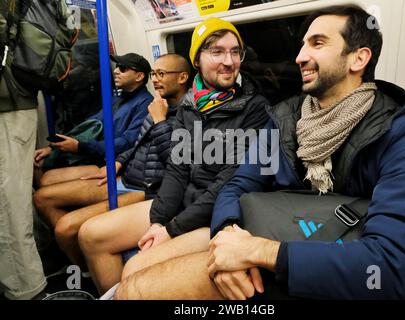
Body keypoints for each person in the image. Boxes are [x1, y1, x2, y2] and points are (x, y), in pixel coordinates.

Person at [112, 6, 405, 300]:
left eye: (317, 43)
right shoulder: (287, 120)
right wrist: (228, 238)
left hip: (317, 265)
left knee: (135, 290)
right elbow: (237, 184)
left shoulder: (404, 138)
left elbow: (395, 266)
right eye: (302, 45)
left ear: (358, 58)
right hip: (267, 235)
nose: (300, 56)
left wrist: (261, 253)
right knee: (135, 270)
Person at [78, 17, 270, 295]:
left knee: (136, 268)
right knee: (91, 235)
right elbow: (178, 169)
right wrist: (159, 220)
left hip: (217, 214)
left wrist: (171, 229)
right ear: (197, 60)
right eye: (216, 51)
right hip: (182, 201)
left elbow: (230, 183)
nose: (229, 61)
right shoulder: (190, 106)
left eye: (234, 51)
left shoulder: (254, 109)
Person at [32, 54, 190, 269]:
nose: (155, 79)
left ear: (182, 78)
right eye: (154, 74)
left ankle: (86, 271)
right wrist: (119, 163)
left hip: (147, 188)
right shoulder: (157, 105)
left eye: (161, 74)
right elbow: (136, 144)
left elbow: (177, 163)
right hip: (126, 174)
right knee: (43, 197)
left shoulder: (189, 114)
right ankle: (84, 263)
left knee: (65, 228)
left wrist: (160, 121)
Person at [33, 53, 153, 187]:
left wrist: (80, 147)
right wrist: (54, 147)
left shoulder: (145, 104)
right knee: (38, 162)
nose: (116, 71)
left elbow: (127, 143)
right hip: (94, 153)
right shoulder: (118, 98)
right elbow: (90, 124)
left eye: (123, 68)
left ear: (139, 76)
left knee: (47, 181)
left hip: (111, 161)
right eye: (117, 67)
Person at [0, 3, 47, 299]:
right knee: (14, 195)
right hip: (15, 103)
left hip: (9, 107)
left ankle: (26, 288)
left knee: (8, 203)